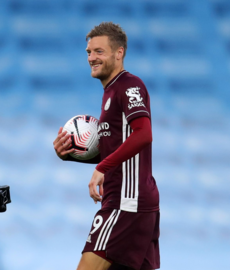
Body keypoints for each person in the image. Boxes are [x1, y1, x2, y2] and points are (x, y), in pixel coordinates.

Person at [53, 22, 160, 270]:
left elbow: (144, 134)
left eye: (99, 51)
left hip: (126, 202)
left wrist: (102, 166)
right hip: (132, 201)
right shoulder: (110, 91)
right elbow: (117, 149)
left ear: (119, 53)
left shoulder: (129, 85)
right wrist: (69, 154)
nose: (92, 58)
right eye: (89, 52)